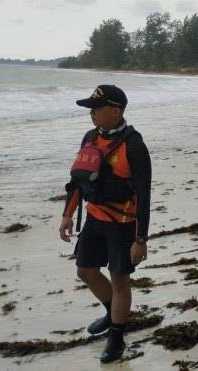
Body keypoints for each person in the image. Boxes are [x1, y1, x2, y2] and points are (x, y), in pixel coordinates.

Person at [58, 85, 151, 363]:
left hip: (123, 224)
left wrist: (141, 238)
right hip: (95, 220)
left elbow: (144, 195)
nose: (91, 114)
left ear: (115, 111)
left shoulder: (134, 145)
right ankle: (114, 314)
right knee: (85, 271)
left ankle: (117, 337)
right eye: (90, 109)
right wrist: (67, 214)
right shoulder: (90, 137)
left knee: (120, 280)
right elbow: (78, 180)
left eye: (95, 109)